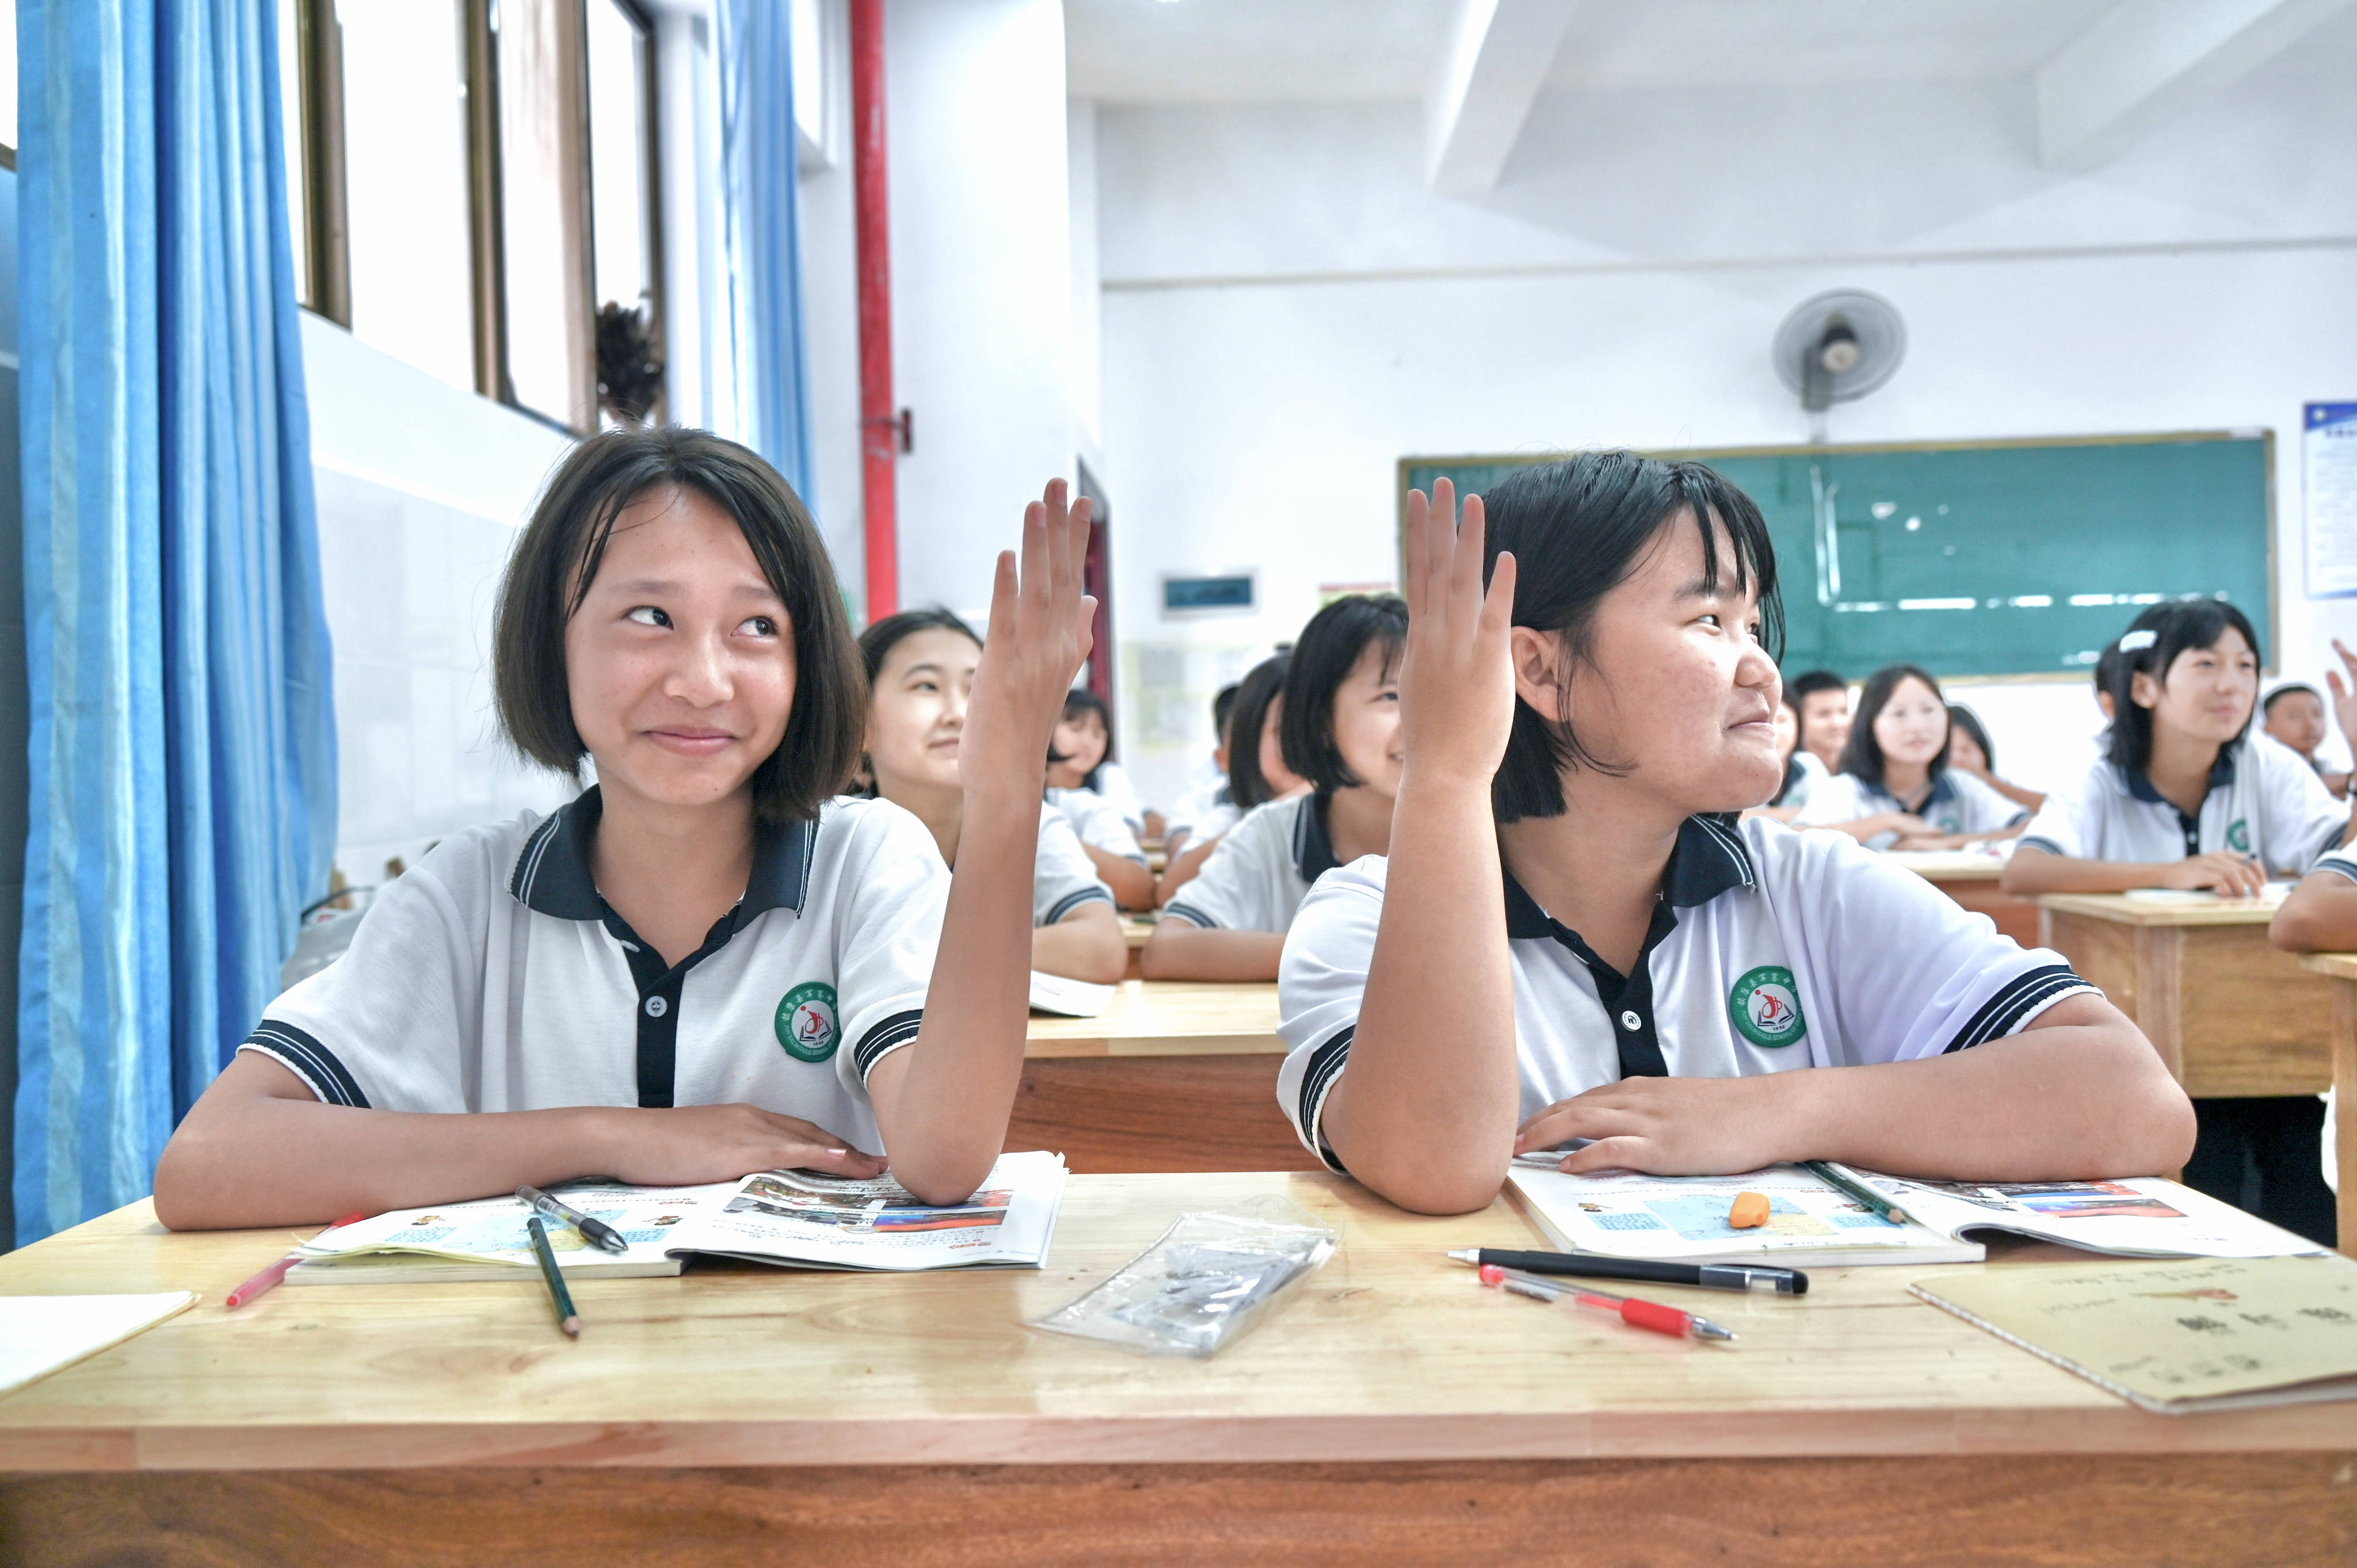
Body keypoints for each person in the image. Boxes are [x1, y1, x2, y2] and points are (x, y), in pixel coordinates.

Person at [152, 430, 1098, 1226]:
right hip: (534, 1408)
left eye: (756, 628)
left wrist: (1009, 785)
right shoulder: (468, 893)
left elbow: (940, 1161)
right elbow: (209, 1163)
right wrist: (617, 1137)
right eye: (650, 617)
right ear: (551, 640)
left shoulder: (865, 858)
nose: (703, 680)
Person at [1274, 456, 2191, 1216]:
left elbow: (2137, 1101)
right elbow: (1434, 1167)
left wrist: (1771, 1111)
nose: (1761, 666)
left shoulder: (1806, 885)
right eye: (1709, 620)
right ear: (1538, 670)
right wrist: (1445, 772)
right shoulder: (1365, 914)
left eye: (1754, 624)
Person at [2004, 604, 2351, 1245]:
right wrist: (2170, 870)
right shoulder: (2101, 777)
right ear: (2145, 687)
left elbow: (2340, 852)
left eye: (2246, 666)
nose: (2231, 685)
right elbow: (2025, 872)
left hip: (2263, 1036)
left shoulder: (2265, 764)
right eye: (2206, 664)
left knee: (2299, 1183)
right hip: (2146, 1052)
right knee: (2210, 1170)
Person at [860, 608, 1127, 985]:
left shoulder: (1028, 824)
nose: (957, 713)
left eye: (977, 688)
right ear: (860, 724)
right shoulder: (832, 838)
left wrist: (902, 949)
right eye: (926, 686)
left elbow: (1101, 949)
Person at [1145, 597, 1405, 981]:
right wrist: (1351, 953)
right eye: (1391, 696)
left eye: (1435, 692)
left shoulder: (1485, 834)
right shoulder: (1273, 833)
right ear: (1320, 720)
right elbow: (1167, 950)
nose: (1424, 716)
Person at [1792, 665, 2028, 850]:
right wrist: (1887, 822)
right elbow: (1798, 839)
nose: (1917, 727)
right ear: (1869, 724)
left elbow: (2031, 828)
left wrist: (1946, 843)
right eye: (1899, 714)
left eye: (1928, 711)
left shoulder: (1962, 786)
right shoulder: (1847, 790)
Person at [1155, 654, 1303, 907]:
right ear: (1248, 742)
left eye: (1317, 727)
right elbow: (1171, 890)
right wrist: (1292, 802)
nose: (1302, 744)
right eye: (1283, 730)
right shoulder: (1230, 818)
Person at [1039, 686, 1156, 910]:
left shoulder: (1092, 796)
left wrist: (1052, 840)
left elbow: (1139, 885)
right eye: (1076, 729)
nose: (1087, 742)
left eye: (1097, 734)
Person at [1944, 703, 2046, 814]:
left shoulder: (2006, 793)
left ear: (1983, 752)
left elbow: (2052, 810)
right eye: (1946, 753)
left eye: (1966, 750)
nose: (1957, 759)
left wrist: (1982, 778)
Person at [2262, 682, 2351, 798]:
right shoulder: (2262, 770)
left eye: (2317, 714)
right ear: (2266, 726)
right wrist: (2349, 781)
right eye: (2295, 716)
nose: (2311, 724)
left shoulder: (2329, 769)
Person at [1787, 669, 1849, 775]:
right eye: (1824, 714)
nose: (1837, 723)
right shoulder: (1788, 777)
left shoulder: (1867, 772)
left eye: (1843, 712)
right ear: (1797, 718)